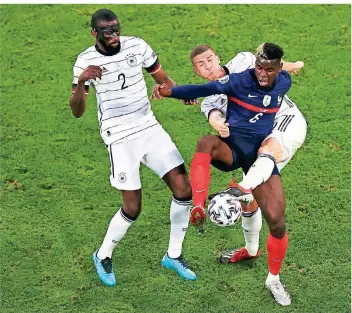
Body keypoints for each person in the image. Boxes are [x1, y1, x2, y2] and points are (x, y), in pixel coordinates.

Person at [157, 43, 293, 306]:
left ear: (277, 69)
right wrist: (170, 92)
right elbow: (202, 91)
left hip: (260, 156)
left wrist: (295, 65)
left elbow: (282, 67)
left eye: (269, 69)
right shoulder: (238, 81)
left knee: (276, 221)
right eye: (259, 68)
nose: (263, 74)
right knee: (206, 143)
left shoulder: (283, 81)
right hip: (232, 149)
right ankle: (199, 204)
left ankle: (273, 279)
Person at [69, 8, 197, 287]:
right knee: (133, 207)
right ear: (95, 33)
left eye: (116, 29)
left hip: (149, 127)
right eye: (107, 32)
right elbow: (77, 111)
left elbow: (161, 78)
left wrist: (178, 94)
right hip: (119, 136)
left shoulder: (137, 46)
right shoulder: (84, 62)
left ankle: (173, 255)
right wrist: (81, 83)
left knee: (184, 190)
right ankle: (102, 255)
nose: (114, 35)